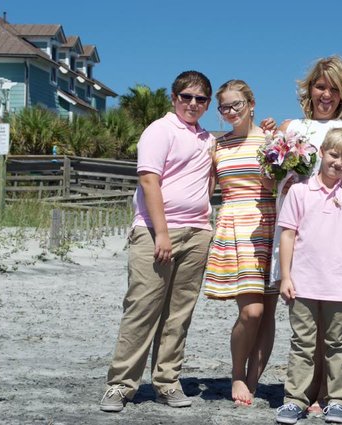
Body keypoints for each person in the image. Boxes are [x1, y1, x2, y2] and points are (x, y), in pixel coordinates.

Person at [99, 71, 216, 412]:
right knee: (142, 308)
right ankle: (121, 385)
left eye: (200, 99)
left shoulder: (207, 138)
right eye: (186, 96)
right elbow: (149, 181)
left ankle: (167, 382)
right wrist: (161, 233)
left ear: (207, 104)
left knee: (178, 314)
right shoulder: (159, 130)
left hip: (197, 233)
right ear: (174, 97)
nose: (192, 103)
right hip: (156, 232)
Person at [269, 56, 342, 413]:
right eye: (320, 86)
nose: (326, 94)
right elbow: (273, 170)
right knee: (304, 332)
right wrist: (289, 175)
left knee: (335, 334)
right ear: (310, 88)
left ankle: (330, 397)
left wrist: (334, 184)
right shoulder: (291, 126)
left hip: (335, 239)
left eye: (334, 88)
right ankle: (300, 395)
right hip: (300, 231)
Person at [202, 80, 278, 406]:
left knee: (268, 312)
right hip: (234, 224)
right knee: (251, 311)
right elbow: (205, 192)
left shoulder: (271, 140)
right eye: (225, 107)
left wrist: (274, 150)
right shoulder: (218, 146)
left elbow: (277, 183)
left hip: (269, 222)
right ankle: (236, 373)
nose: (231, 112)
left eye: (237, 105)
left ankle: (253, 380)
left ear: (251, 103)